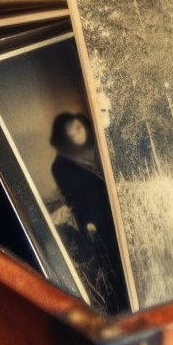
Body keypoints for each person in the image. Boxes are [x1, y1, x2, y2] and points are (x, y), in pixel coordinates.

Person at [47, 111, 120, 309]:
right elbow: (76, 200)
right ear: (63, 137)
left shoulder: (97, 149)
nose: (77, 134)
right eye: (71, 131)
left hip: (114, 209)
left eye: (78, 128)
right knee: (113, 264)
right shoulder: (60, 166)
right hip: (95, 220)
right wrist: (90, 223)